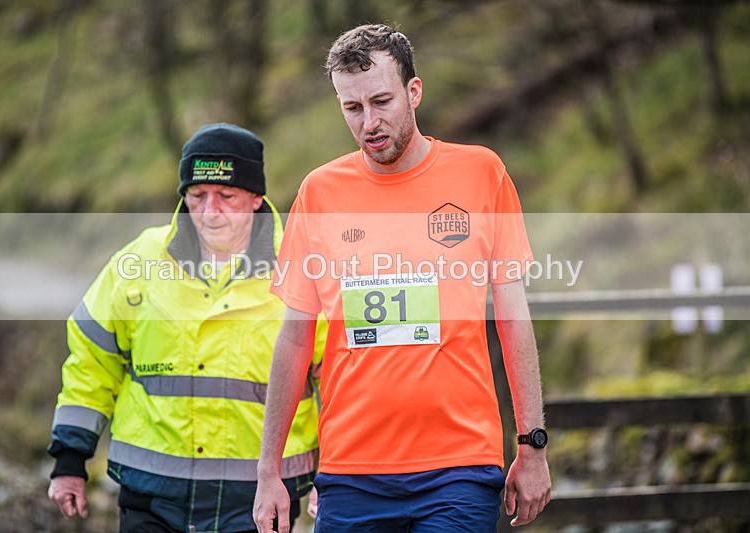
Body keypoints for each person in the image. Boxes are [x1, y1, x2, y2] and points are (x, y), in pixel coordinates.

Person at [253, 24, 551, 533]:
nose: (369, 122)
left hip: (459, 466)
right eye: (352, 108)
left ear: (414, 92)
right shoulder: (320, 192)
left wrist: (532, 445)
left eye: (382, 101)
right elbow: (295, 337)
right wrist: (268, 471)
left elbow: (513, 317)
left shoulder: (481, 174)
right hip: (352, 471)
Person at [47, 123, 323, 533]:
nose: (210, 211)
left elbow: (339, 376)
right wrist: (69, 459)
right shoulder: (140, 261)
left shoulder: (302, 265)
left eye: (226, 196)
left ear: (255, 197)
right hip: (151, 497)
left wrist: (337, 473)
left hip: (260, 502)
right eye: (197, 196)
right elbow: (91, 362)